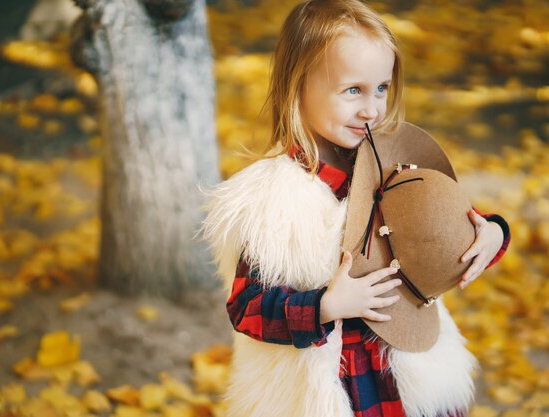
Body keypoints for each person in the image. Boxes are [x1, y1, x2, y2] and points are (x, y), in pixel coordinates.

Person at [201, 1, 511, 416]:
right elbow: (246, 307)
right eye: (353, 90)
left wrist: (492, 233)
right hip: (330, 390)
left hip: (408, 377)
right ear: (299, 87)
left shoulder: (394, 166)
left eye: (381, 88)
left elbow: (445, 227)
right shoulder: (271, 200)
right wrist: (325, 307)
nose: (371, 109)